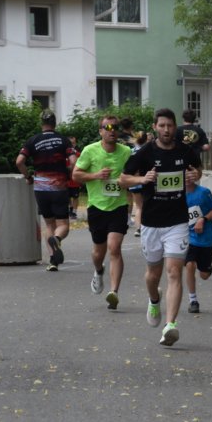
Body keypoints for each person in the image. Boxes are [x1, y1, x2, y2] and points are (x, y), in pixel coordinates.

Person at [119, 108, 202, 346]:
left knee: (174, 272)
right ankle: (154, 300)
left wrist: (194, 175)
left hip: (177, 222)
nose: (166, 130)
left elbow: (198, 170)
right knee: (153, 275)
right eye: (162, 125)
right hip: (152, 223)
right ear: (155, 127)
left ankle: (170, 325)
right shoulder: (145, 152)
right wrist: (142, 179)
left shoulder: (185, 150)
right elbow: (123, 179)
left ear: (175, 127)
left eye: (170, 125)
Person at [73, 114, 133, 309]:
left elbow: (134, 174)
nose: (112, 131)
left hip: (119, 206)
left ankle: (114, 292)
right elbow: (76, 175)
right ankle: (99, 270)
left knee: (114, 248)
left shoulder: (126, 152)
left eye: (115, 127)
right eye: (107, 128)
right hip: (97, 207)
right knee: (98, 252)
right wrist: (96, 175)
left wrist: (129, 181)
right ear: (100, 131)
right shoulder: (90, 151)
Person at [15, 110, 76, 271]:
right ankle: (57, 239)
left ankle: (52, 261)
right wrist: (69, 173)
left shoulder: (32, 141)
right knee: (63, 225)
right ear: (55, 123)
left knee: (49, 223)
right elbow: (73, 161)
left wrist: (28, 177)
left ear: (41, 123)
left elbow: (19, 161)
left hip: (40, 188)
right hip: (59, 187)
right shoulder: (63, 140)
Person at [184, 165, 212, 314]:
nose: (187, 177)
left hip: (205, 237)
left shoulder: (204, 192)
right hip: (188, 237)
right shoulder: (177, 195)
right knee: (189, 265)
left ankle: (206, 268)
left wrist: (203, 219)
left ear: (195, 175)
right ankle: (193, 300)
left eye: (189, 174)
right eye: (184, 174)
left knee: (204, 275)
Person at [67, 135, 81, 220]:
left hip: (75, 179)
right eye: (71, 143)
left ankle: (74, 212)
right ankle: (70, 209)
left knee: (75, 197)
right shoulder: (64, 152)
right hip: (66, 179)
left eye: (74, 143)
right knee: (67, 196)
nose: (73, 145)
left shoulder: (78, 153)